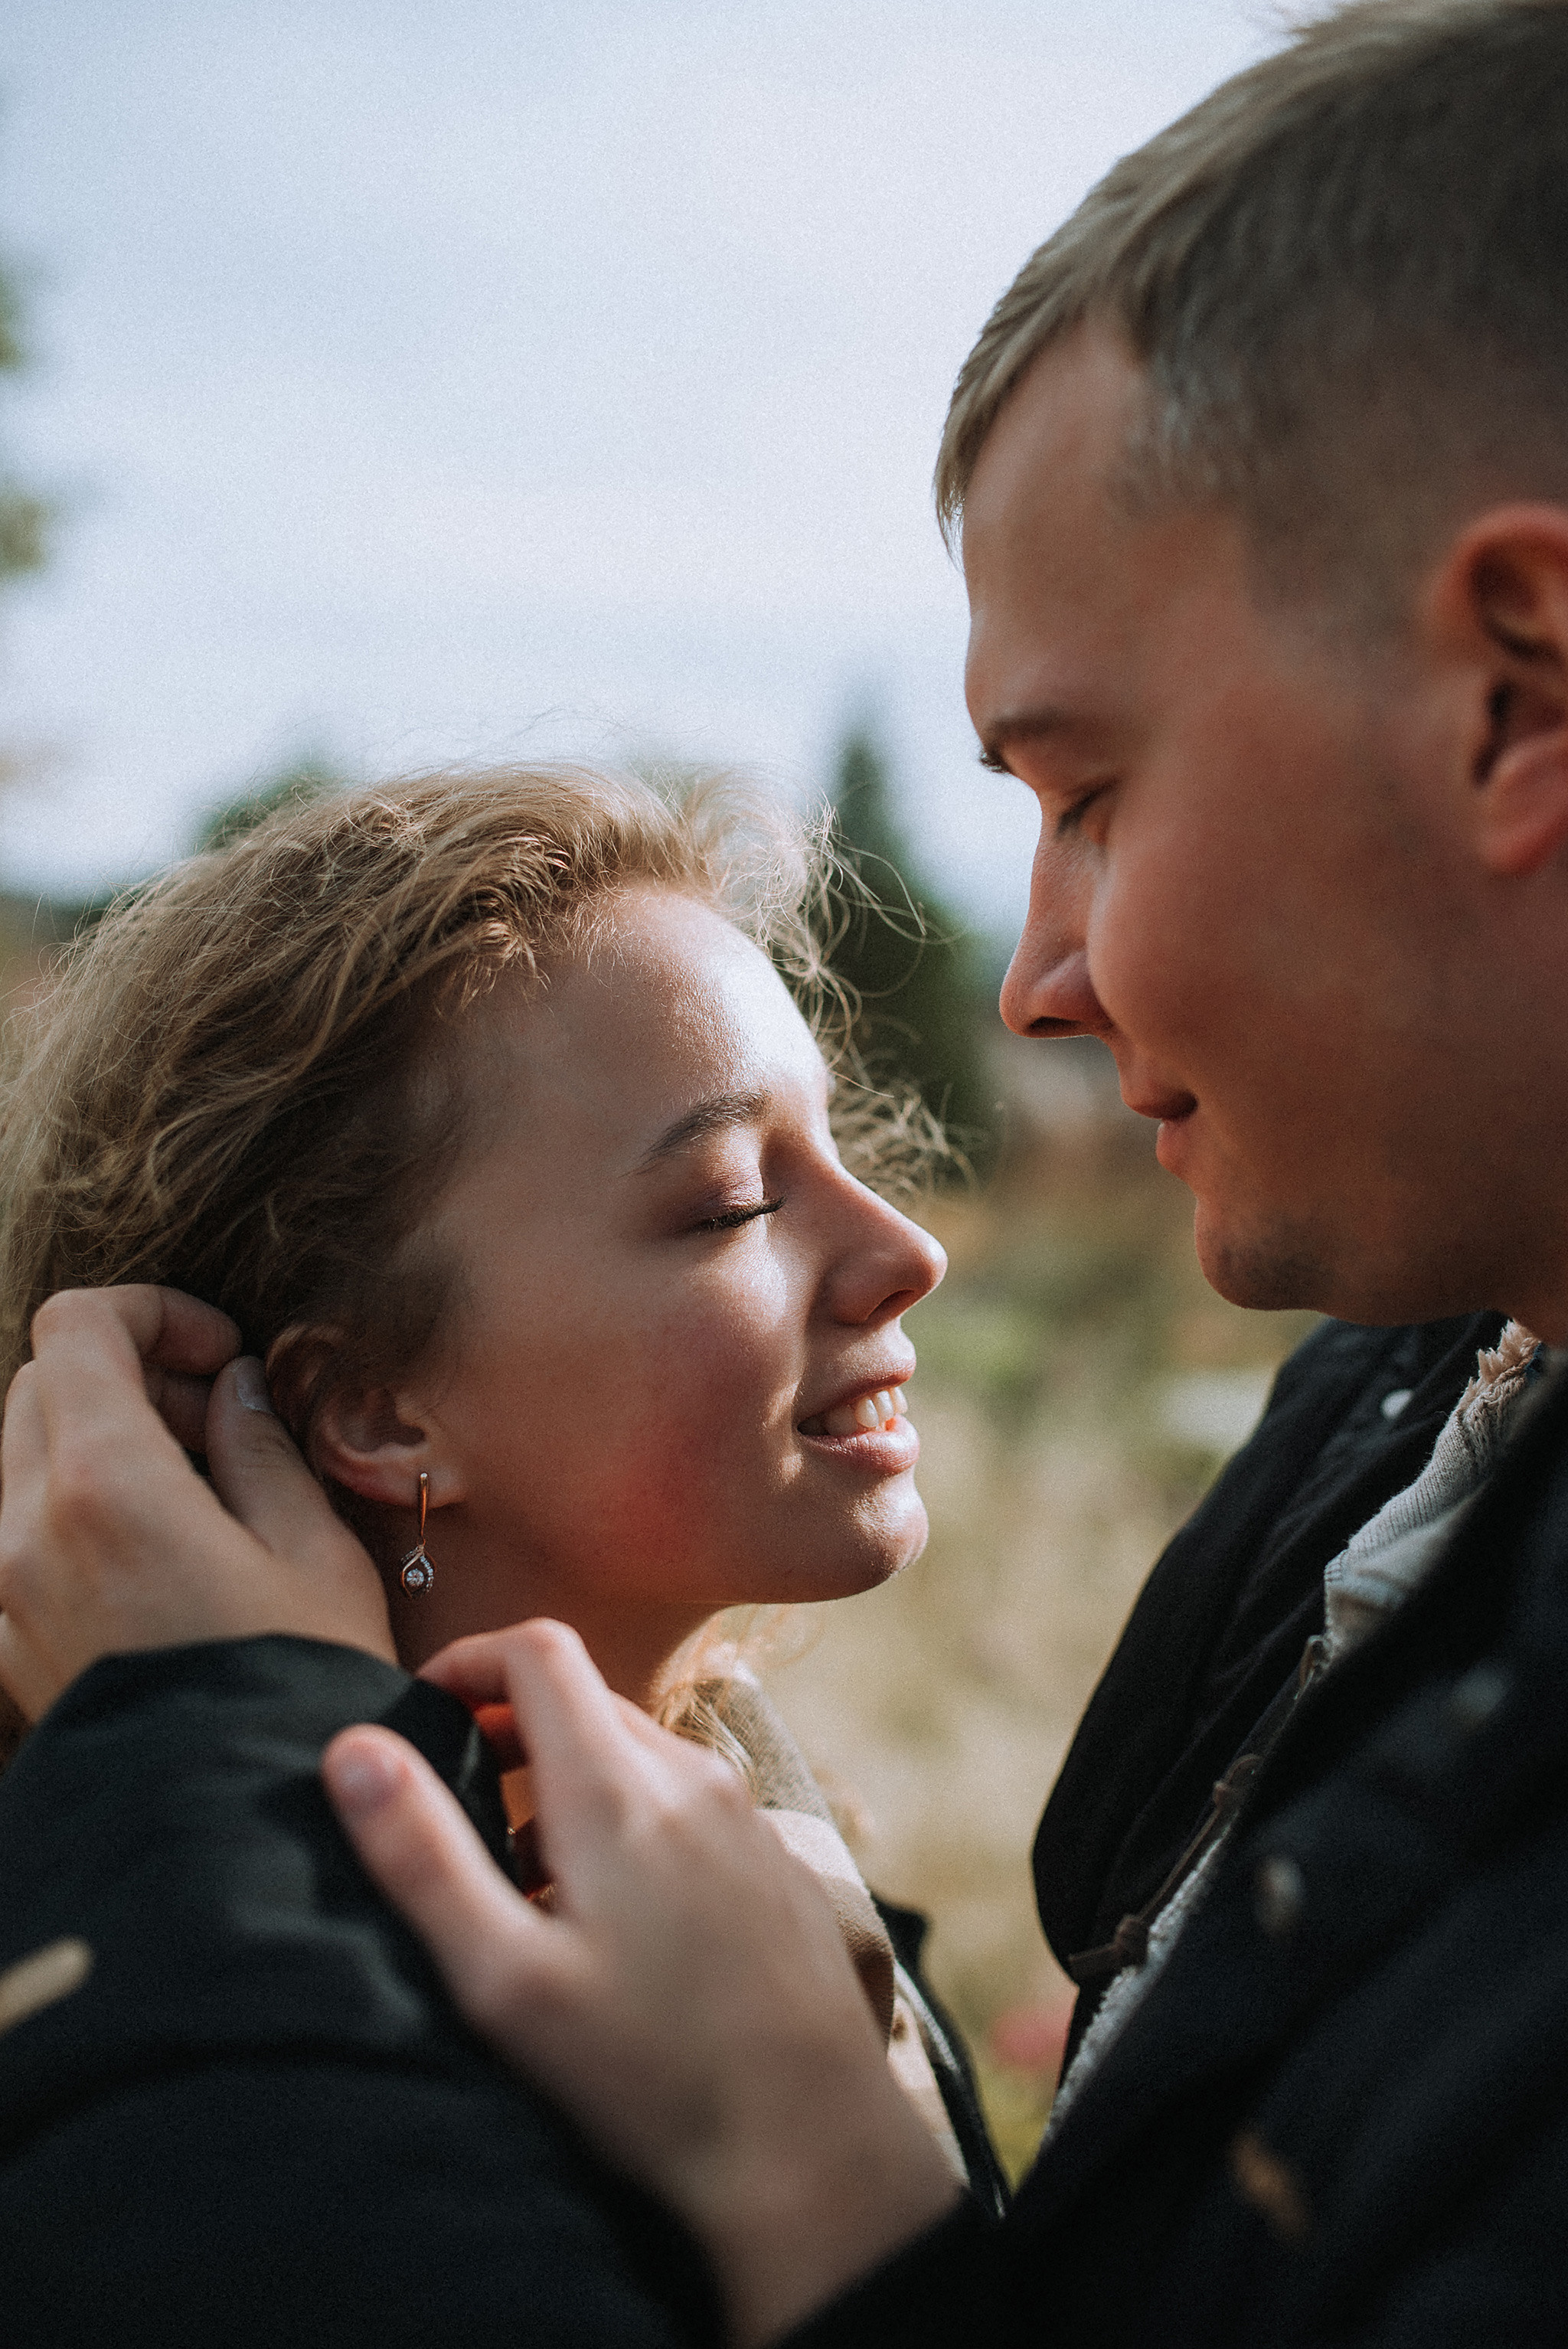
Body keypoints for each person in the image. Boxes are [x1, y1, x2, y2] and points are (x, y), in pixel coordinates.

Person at [6, 0, 1568, 2339]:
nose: (1039, 977)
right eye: (737, 1193)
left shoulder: (706, 1871)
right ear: (367, 1399)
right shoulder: (1404, 1422)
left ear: (1514, 691)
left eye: (1090, 786)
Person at [0, 767, 1005, 2342]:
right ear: (379, 1410)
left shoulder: (746, 1854)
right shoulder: (140, 2005)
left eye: (836, 1138)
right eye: (734, 1199)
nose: (905, 1249)